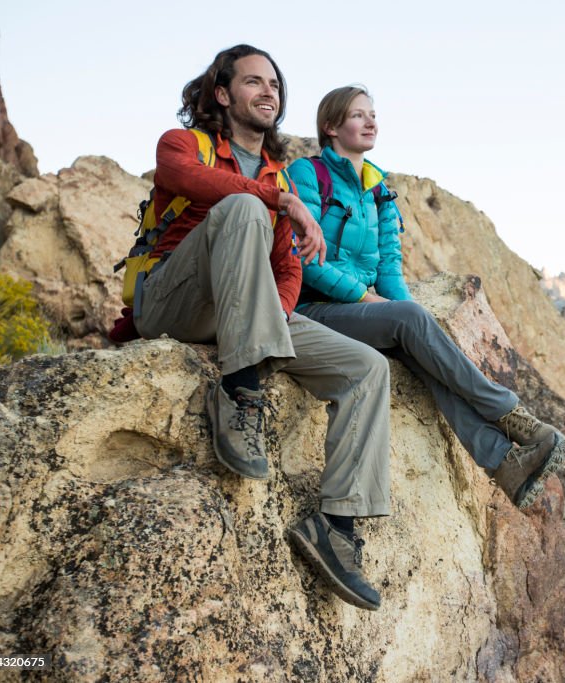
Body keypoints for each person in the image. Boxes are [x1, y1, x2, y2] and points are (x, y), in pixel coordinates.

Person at [135, 46, 389, 611]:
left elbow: (289, 268)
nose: (269, 91)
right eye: (253, 81)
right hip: (171, 303)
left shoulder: (279, 176)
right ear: (223, 94)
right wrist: (281, 203)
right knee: (246, 211)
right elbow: (183, 179)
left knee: (365, 368)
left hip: (240, 312)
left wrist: (272, 313)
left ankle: (338, 528)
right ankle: (240, 388)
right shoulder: (185, 145)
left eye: (274, 83)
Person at [286, 85, 565, 514]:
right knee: (410, 324)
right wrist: (368, 299)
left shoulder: (379, 189)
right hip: (313, 311)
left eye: (373, 114)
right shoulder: (308, 175)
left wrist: (403, 311)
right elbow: (305, 261)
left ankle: (504, 462)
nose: (371, 121)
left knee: (421, 343)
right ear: (330, 126)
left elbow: (390, 272)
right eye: (358, 115)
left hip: (361, 312)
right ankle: (512, 416)